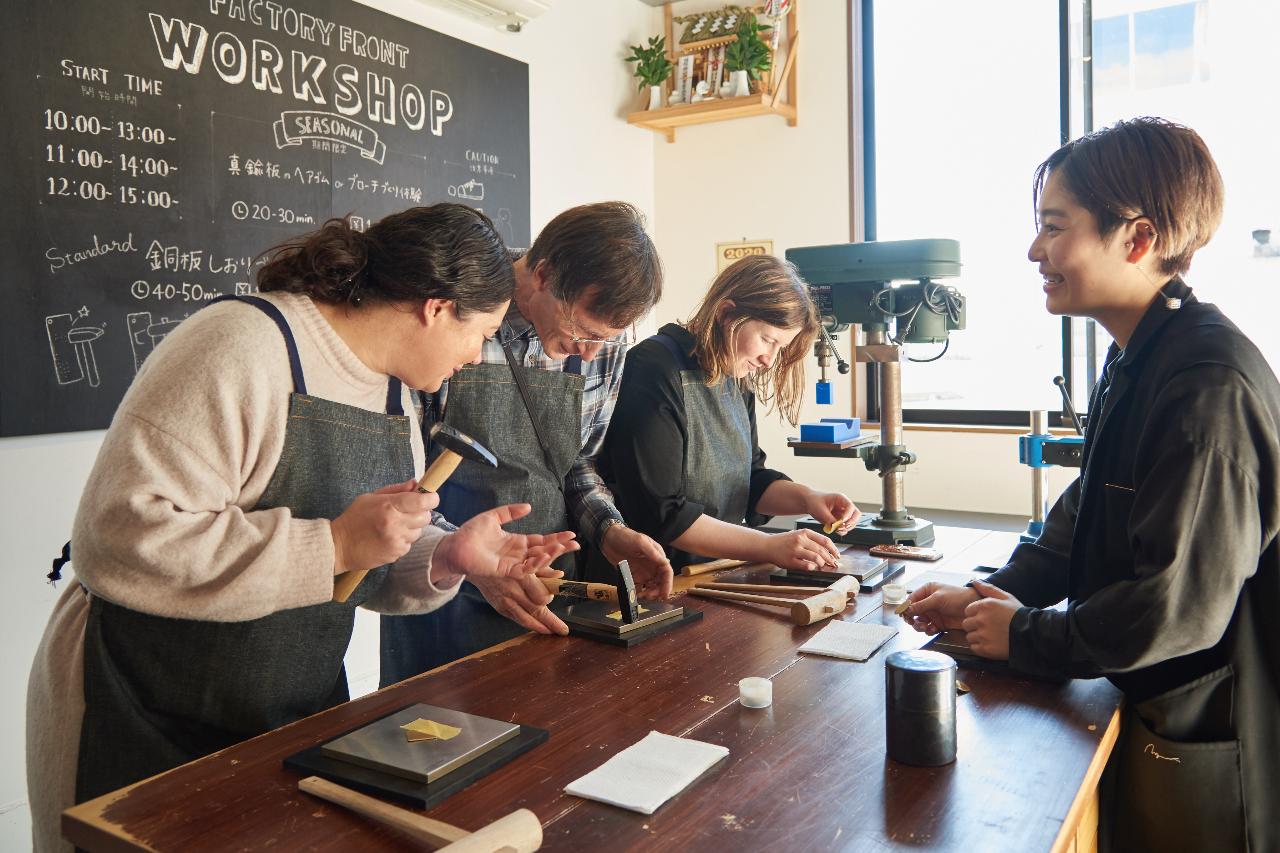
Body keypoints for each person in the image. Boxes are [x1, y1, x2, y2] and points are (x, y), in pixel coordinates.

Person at [26, 204, 579, 853]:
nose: (477, 354)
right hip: (140, 708)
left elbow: (353, 564)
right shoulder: (242, 345)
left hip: (282, 713)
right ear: (435, 307)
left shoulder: (392, 392)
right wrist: (337, 541)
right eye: (480, 331)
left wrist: (445, 553)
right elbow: (120, 537)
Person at [902, 117, 1279, 851]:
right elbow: (1083, 514)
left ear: (1136, 239)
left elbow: (1174, 610)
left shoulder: (1206, 385)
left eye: (1053, 227)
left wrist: (1028, 634)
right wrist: (989, 598)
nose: (1035, 250)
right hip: (1153, 709)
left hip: (1208, 733)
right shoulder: (1142, 354)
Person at [380, 202, 671, 683]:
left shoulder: (602, 343)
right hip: (440, 593)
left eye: (608, 339)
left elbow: (572, 462)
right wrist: (468, 560)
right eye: (581, 331)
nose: (592, 352)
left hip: (551, 587)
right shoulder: (454, 315)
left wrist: (609, 529)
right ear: (542, 274)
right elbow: (399, 484)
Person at [602, 254, 859, 572]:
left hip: (715, 574)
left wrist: (808, 498)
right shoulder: (653, 367)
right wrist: (767, 546)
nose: (769, 359)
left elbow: (750, 481)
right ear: (726, 314)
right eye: (768, 339)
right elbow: (662, 514)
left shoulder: (736, 379)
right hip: (655, 578)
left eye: (780, 347)